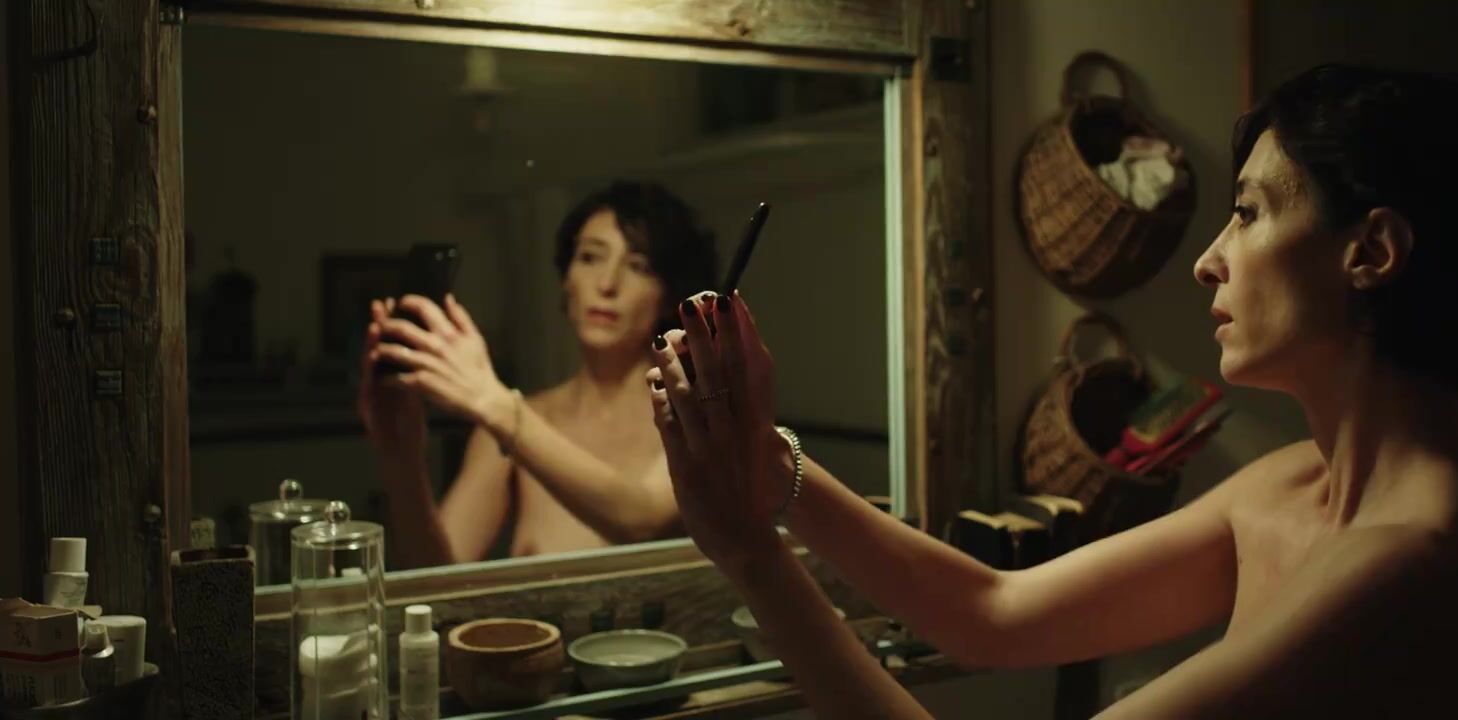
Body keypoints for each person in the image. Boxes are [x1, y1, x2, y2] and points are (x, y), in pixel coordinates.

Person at [646, 64, 1458, 718]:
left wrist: (752, 554)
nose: (1209, 260)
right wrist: (769, 469)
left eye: (1247, 212)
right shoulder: (1288, 487)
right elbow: (992, 613)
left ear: (1372, 252)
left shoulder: (1408, 565)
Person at [359, 180, 717, 566]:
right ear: (566, 280)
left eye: (638, 266)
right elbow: (438, 580)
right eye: (590, 257)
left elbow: (642, 521)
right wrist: (402, 459)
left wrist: (491, 401)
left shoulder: (690, 413)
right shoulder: (511, 424)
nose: (607, 284)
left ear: (668, 295)